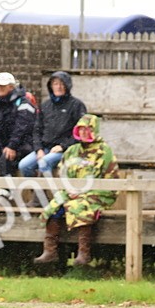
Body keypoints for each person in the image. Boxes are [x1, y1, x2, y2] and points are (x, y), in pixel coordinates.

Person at [34, 114, 119, 267]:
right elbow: (63, 174)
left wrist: (83, 192)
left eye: (87, 130)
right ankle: (50, 251)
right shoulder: (72, 151)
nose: (84, 133)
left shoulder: (104, 151)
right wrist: (69, 190)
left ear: (94, 130)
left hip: (98, 193)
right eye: (81, 130)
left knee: (80, 206)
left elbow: (110, 180)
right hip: (71, 192)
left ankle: (84, 253)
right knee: (54, 206)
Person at [20, 70, 88, 179]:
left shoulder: (77, 105)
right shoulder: (45, 105)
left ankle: (50, 195)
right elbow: (37, 130)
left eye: (62, 84)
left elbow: (81, 133)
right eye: (55, 84)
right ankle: (38, 190)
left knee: (44, 162)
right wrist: (39, 149)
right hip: (45, 148)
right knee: (24, 165)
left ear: (67, 86)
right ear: (51, 86)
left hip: (67, 150)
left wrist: (63, 146)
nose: (59, 87)